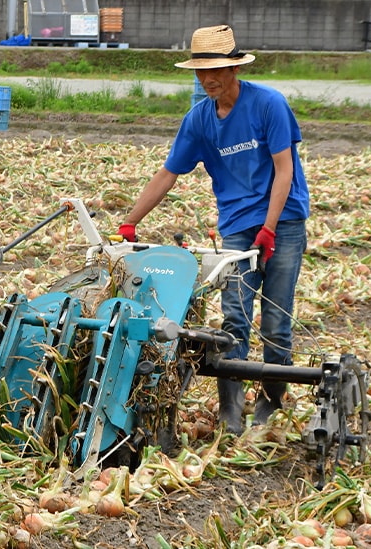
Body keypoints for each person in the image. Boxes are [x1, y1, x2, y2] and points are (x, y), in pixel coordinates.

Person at [116, 25, 310, 435]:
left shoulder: (268, 105)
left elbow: (284, 170)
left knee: (275, 318)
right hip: (238, 228)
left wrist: (271, 229)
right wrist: (131, 220)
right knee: (234, 318)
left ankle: (271, 404)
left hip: (284, 222)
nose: (208, 79)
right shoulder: (200, 119)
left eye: (216, 70)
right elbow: (169, 173)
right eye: (200, 72)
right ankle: (230, 412)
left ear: (234, 68)